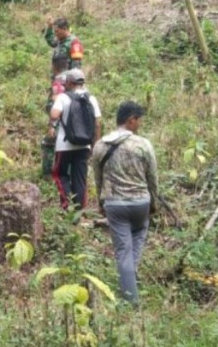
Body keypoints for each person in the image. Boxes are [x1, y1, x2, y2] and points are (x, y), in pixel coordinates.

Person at [92, 101, 159, 304]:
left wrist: (101, 203)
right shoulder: (143, 145)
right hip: (140, 203)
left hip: (115, 204)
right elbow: (152, 178)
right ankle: (131, 294)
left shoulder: (101, 145)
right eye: (138, 120)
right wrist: (153, 203)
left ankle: (129, 293)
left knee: (123, 250)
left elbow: (98, 179)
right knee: (138, 236)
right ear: (131, 120)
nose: (139, 124)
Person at [48, 69, 101, 211]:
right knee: (80, 178)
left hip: (64, 145)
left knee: (59, 173)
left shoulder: (63, 97)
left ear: (69, 82)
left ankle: (66, 206)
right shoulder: (91, 98)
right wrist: (94, 143)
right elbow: (97, 124)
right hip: (84, 146)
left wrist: (52, 123)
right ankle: (79, 210)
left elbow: (54, 114)